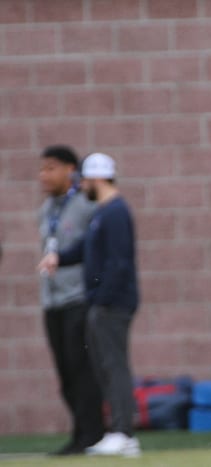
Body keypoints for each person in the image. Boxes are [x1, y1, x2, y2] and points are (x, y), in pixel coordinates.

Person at [38, 152, 141, 457]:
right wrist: (61, 257)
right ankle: (119, 431)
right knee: (105, 367)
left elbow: (119, 263)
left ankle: (124, 432)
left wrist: (101, 300)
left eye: (82, 180)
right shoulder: (103, 211)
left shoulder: (116, 212)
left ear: (95, 178)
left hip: (112, 304)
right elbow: (86, 249)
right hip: (103, 303)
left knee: (114, 366)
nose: (80, 186)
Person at [37, 145, 104, 455]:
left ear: (70, 170)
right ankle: (79, 435)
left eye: (51, 168)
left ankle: (91, 436)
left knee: (81, 370)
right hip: (52, 302)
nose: (43, 175)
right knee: (65, 373)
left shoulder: (85, 205)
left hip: (78, 299)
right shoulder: (46, 210)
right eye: (42, 168)